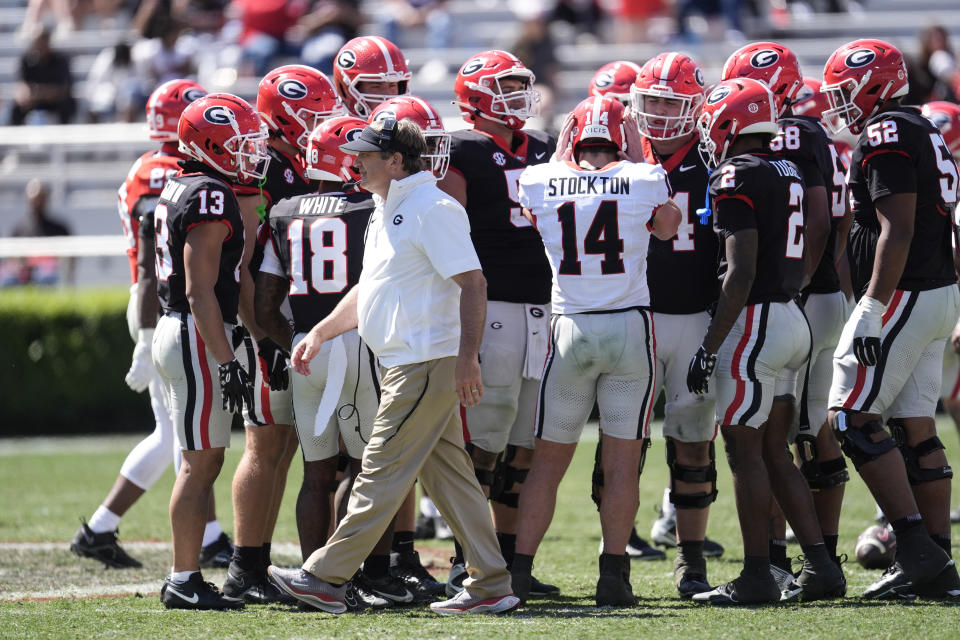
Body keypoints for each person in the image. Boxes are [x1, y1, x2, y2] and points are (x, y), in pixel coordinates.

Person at [269, 117, 520, 616]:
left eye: (365, 153)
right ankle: (491, 583)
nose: (354, 161)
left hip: (425, 361)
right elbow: (371, 289)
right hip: (410, 360)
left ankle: (324, 577)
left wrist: (467, 358)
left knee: (379, 468)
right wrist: (321, 330)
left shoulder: (432, 208)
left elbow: (474, 283)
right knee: (452, 478)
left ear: (396, 161)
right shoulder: (390, 207)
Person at [511, 95, 681, 607]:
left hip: (569, 328)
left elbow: (537, 206)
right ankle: (614, 575)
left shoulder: (539, 180)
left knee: (547, 462)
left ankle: (519, 572)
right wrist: (637, 157)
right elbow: (668, 226)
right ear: (621, 139)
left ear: (572, 136)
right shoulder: (645, 176)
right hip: (629, 327)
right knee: (623, 461)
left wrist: (566, 160)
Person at [687, 78, 845, 605]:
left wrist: (710, 344)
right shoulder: (789, 168)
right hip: (790, 315)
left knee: (745, 451)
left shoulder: (734, 173)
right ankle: (822, 567)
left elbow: (740, 270)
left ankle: (757, 575)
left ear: (729, 120)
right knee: (776, 452)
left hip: (754, 321)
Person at [70, 79, 233, 572]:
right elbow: (147, 260)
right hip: (164, 305)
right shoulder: (165, 172)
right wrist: (143, 341)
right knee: (176, 437)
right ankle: (100, 527)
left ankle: (208, 536)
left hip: (163, 303)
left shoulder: (150, 168)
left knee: (186, 435)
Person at [821, 38, 960, 599]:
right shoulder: (923, 125)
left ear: (873, 83)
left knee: (850, 417)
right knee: (914, 426)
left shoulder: (887, 132)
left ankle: (916, 548)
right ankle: (941, 566)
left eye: (844, 90)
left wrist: (873, 305)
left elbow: (895, 229)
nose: (838, 102)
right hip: (937, 292)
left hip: (905, 292)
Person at [721, 41, 849, 581]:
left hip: (778, 305)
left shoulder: (774, 148)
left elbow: (815, 226)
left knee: (769, 442)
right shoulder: (793, 152)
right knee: (786, 441)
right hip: (801, 303)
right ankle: (816, 563)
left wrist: (788, 287)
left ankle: (769, 567)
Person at [222, 64, 346, 606]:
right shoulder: (263, 167)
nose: (324, 121)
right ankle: (245, 566)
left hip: (301, 331)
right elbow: (246, 268)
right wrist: (266, 337)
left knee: (301, 448)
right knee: (266, 443)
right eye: (314, 112)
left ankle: (272, 563)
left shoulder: (302, 160)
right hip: (272, 330)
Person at [436, 48, 558, 598]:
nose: (517, 98)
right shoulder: (461, 149)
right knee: (482, 444)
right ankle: (470, 562)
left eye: (519, 86)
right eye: (504, 87)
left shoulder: (546, 148)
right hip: (494, 308)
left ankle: (512, 563)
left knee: (526, 443)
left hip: (544, 308)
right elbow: (451, 237)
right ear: (476, 95)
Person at [153, 93, 269, 610]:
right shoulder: (210, 194)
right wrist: (225, 359)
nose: (249, 154)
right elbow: (201, 290)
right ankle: (183, 577)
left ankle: (186, 574)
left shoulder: (183, 183)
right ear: (211, 145)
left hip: (186, 328)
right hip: (194, 330)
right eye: (239, 145)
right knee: (199, 464)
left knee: (204, 460)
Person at [625, 51, 724, 595]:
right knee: (624, 443)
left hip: (695, 316)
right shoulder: (617, 160)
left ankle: (692, 563)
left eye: (671, 101)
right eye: (653, 100)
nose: (660, 112)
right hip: (633, 318)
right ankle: (613, 557)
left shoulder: (715, 159)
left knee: (691, 442)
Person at [2, 179, 73, 287]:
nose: (37, 203)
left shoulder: (59, 228)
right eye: (34, 199)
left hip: (48, 271)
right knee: (7, 277)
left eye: (40, 198)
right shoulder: (19, 228)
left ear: (46, 199)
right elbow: (13, 258)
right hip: (24, 270)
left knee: (45, 275)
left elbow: (68, 259)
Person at [332, 35, 411, 119]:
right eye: (376, 86)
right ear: (345, 90)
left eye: (392, 85)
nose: (388, 95)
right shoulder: (335, 131)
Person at [11, 26, 75, 125]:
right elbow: (23, 85)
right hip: (34, 100)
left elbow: (63, 89)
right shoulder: (27, 60)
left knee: (66, 105)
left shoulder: (60, 60)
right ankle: (15, 136)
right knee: (16, 108)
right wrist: (25, 96)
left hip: (55, 100)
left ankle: (65, 135)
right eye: (37, 42)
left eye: (42, 41)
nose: (40, 45)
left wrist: (41, 93)